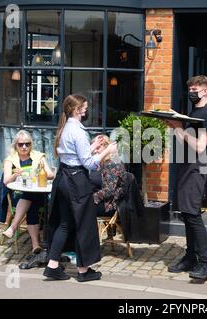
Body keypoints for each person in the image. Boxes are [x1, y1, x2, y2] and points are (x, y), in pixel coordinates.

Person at [44, 94, 117, 282]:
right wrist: (107, 151)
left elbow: (74, 156)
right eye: (84, 107)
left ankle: (52, 266)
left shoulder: (65, 127)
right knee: (84, 225)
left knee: (65, 223)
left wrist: (93, 146)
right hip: (77, 182)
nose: (86, 109)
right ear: (76, 110)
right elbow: (89, 164)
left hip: (63, 179)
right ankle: (83, 271)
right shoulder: (78, 131)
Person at [165, 75, 207, 280]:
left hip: (197, 169)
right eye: (190, 88)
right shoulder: (195, 112)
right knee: (187, 215)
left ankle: (205, 265)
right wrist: (175, 125)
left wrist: (179, 128)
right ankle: (190, 258)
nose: (191, 92)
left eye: (195, 89)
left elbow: (200, 146)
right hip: (185, 167)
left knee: (193, 215)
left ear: (205, 91)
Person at [1, 130, 54, 254]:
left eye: (27, 144)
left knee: (31, 196)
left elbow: (51, 175)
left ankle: (14, 227)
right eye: (21, 144)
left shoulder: (38, 156)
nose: (24, 147)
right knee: (31, 202)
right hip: (18, 195)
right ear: (16, 146)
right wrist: (15, 175)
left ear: (31, 144)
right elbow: (6, 182)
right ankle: (36, 245)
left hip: (39, 194)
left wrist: (41, 171)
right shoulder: (10, 160)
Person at [91, 135, 127, 217]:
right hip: (98, 201)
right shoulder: (99, 163)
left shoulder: (112, 164)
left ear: (107, 147)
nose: (95, 151)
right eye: (94, 148)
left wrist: (90, 199)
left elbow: (109, 191)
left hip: (107, 205)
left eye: (98, 148)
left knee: (79, 208)